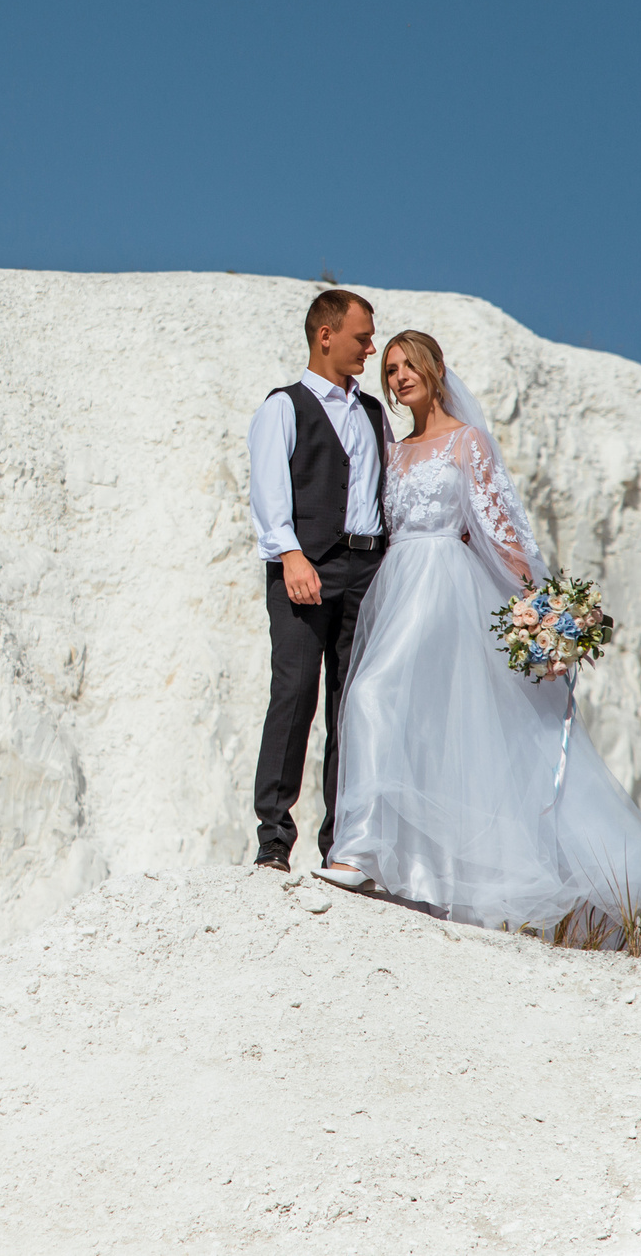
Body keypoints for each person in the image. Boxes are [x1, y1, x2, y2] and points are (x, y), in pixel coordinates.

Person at [317, 330, 641, 945]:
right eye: (391, 369)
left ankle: (358, 852)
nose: (400, 377)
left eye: (410, 365)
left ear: (435, 370)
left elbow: (500, 527)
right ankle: (419, 872)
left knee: (374, 697)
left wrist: (538, 609)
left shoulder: (468, 442)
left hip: (443, 590)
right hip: (396, 583)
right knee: (411, 721)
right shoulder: (395, 449)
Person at [245, 288, 388, 873]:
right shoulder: (284, 405)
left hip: (367, 570)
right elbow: (268, 486)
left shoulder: (374, 413)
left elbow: (384, 493)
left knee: (350, 709)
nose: (370, 348)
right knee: (296, 696)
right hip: (305, 567)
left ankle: (342, 845)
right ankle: (274, 840)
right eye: (362, 337)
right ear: (325, 335)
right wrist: (291, 555)